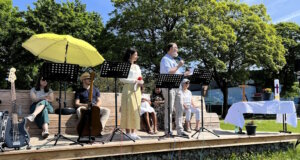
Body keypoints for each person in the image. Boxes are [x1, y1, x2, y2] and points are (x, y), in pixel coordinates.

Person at [160, 42, 190, 136]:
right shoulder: (165, 59)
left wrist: (185, 74)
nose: (177, 49)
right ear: (170, 49)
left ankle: (180, 130)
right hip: (169, 87)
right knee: (169, 109)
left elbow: (177, 74)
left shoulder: (174, 60)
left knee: (180, 108)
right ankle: (168, 131)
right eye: (175, 47)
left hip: (178, 87)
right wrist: (179, 66)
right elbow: (169, 72)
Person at [120, 48, 144, 140]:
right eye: (135, 54)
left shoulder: (137, 67)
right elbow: (122, 79)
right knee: (128, 110)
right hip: (128, 89)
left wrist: (141, 81)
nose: (137, 56)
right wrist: (134, 81)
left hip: (136, 90)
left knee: (135, 110)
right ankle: (128, 132)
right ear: (130, 55)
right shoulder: (124, 66)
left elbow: (140, 77)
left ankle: (133, 132)